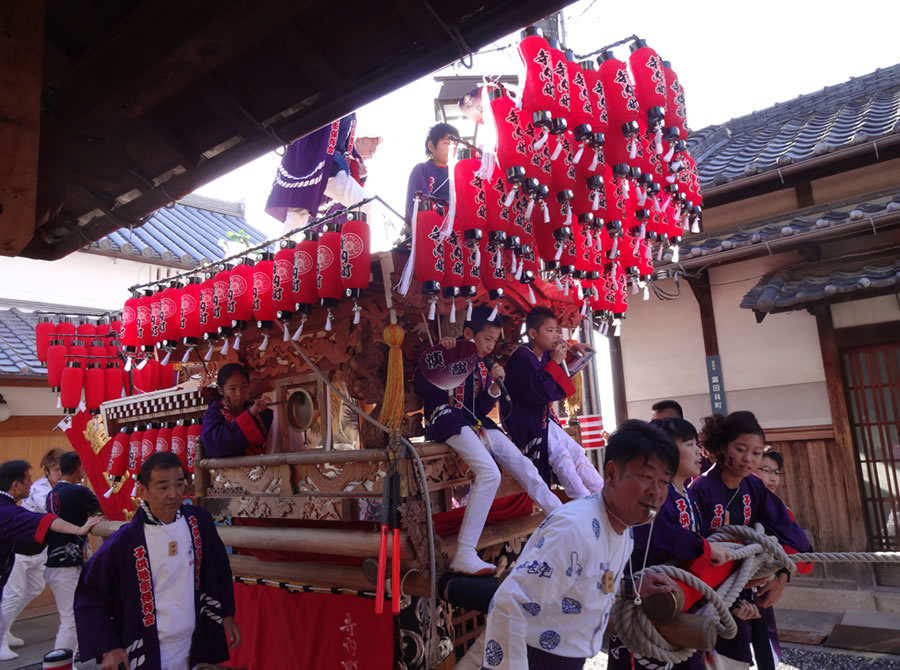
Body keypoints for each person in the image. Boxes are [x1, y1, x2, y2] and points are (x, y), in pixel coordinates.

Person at [480, 420, 681, 669]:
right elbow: (509, 604)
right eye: (647, 477)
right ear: (611, 474)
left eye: (664, 481)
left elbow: (587, 579)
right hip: (535, 660)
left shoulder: (623, 529)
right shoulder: (574, 530)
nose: (656, 491)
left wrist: (631, 587)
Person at [413, 305, 562, 575]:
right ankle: (465, 552)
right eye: (487, 339)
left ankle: (560, 515)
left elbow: (480, 407)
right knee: (490, 473)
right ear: (468, 333)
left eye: (495, 341)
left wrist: (494, 387)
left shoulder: (483, 364)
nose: (491, 347)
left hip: (476, 422)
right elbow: (421, 387)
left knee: (522, 463)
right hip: (447, 419)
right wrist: (439, 353)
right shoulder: (448, 351)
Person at [75, 452, 239, 670]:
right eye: (163, 487)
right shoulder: (125, 542)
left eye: (179, 485)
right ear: (143, 491)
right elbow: (91, 594)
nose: (173, 494)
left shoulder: (198, 522)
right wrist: (108, 647)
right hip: (148, 644)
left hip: (194, 637)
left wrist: (226, 613)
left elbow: (219, 568)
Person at [689, 411, 812, 670]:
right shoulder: (700, 489)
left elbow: (783, 528)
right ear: (722, 447)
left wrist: (782, 575)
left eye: (756, 453)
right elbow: (690, 548)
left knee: (753, 656)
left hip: (747, 584)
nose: (748, 458)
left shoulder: (753, 487)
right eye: (741, 449)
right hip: (707, 592)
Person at [607, 418, 731, 670]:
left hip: (682, 599)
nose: (698, 451)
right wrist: (705, 548)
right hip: (647, 599)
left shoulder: (687, 493)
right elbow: (664, 537)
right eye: (690, 444)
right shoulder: (653, 498)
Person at [0, 460, 100, 659]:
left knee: (33, 589)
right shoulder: (9, 510)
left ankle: (4, 632)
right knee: (67, 616)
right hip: (50, 559)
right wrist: (78, 529)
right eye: (28, 479)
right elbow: (46, 521)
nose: (31, 482)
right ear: (15, 485)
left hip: (39, 554)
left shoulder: (16, 505)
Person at [501, 306, 604, 499]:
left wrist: (573, 349)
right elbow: (538, 391)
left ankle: (603, 492)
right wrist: (555, 363)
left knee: (576, 452)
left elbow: (554, 365)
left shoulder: (544, 353)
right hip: (525, 421)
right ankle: (583, 500)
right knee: (561, 457)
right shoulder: (521, 357)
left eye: (557, 330)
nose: (555, 335)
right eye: (549, 331)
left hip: (542, 418)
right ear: (533, 333)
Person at [0, 448, 65, 660]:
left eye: (63, 468)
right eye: (56, 468)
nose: (60, 472)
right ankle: (0, 640)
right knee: (13, 594)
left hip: (39, 547)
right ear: (47, 470)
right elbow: (51, 509)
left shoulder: (66, 488)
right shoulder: (38, 489)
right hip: (20, 549)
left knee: (35, 587)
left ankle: (5, 628)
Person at [265, 113, 371, 235]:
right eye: (373, 141)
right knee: (362, 204)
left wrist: (356, 163)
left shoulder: (350, 110)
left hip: (324, 162)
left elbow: (345, 145)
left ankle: (284, 252)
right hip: (317, 160)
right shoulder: (334, 100)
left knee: (298, 214)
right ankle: (355, 251)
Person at [45, 451, 101, 656]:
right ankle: (60, 664)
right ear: (79, 469)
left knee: (70, 616)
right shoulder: (78, 492)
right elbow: (101, 511)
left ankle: (64, 661)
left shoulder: (53, 493)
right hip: (67, 564)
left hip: (55, 561)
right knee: (71, 618)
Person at [201, 363, 274, 458]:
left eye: (244, 387)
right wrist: (249, 415)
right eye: (232, 389)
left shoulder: (258, 411)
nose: (239, 393)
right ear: (220, 390)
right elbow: (214, 445)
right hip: (227, 472)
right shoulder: (213, 413)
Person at [404, 122, 458, 224]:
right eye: (446, 143)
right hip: (432, 228)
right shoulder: (421, 170)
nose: (452, 148)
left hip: (456, 229)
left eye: (455, 144)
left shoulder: (458, 173)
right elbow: (417, 205)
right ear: (431, 146)